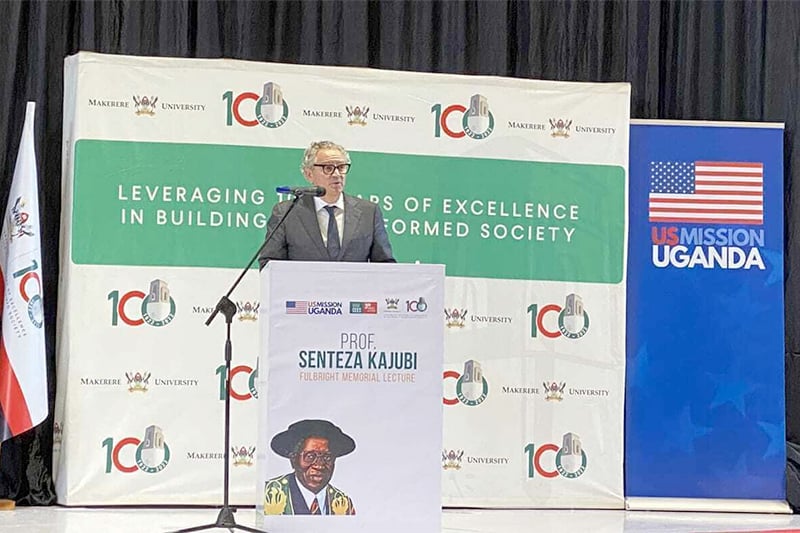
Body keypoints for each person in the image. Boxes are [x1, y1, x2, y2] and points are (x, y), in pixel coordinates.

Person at [258, 140, 396, 269]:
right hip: (304, 293)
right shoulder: (286, 212)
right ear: (309, 174)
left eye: (341, 167)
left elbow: (385, 266)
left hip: (354, 293)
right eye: (328, 168)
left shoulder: (368, 212)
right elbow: (270, 265)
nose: (337, 174)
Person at [263, 419, 356, 516]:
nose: (319, 465)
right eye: (310, 456)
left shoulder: (344, 504)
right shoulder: (267, 495)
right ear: (293, 460)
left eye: (327, 457)